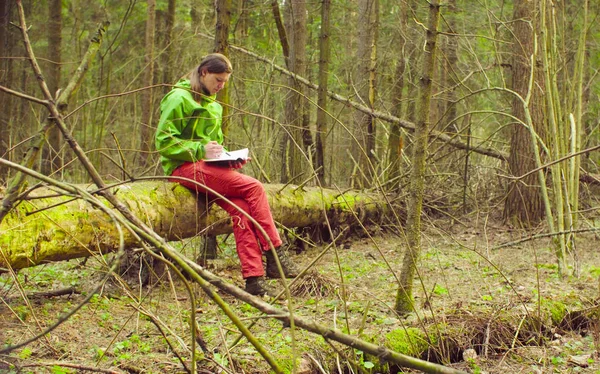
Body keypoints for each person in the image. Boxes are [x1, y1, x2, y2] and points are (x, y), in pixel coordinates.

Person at [155, 53, 298, 296]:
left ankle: (254, 280)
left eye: (225, 82)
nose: (221, 86)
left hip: (209, 170)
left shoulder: (214, 106)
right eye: (218, 80)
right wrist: (199, 149)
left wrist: (230, 159)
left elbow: (215, 147)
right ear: (203, 73)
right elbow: (163, 141)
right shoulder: (178, 98)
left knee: (242, 207)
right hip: (183, 168)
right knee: (254, 188)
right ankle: (275, 253)